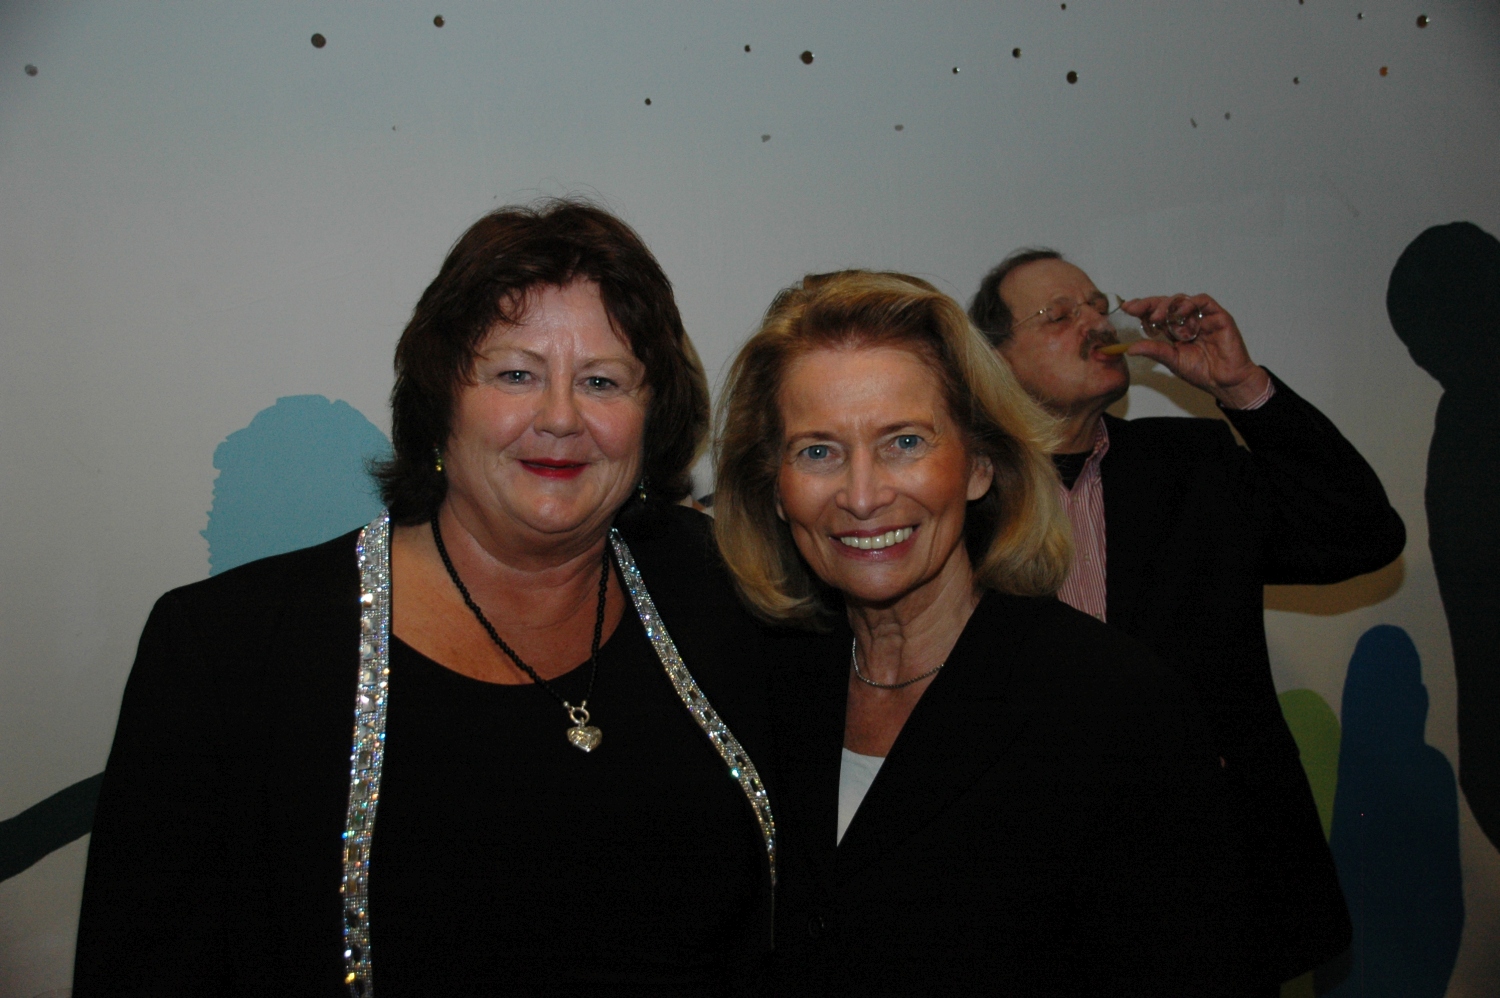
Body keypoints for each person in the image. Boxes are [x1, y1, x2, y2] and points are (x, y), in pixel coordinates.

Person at [74, 200, 780, 996]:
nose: (560, 417)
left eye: (602, 381)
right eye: (516, 374)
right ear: (442, 400)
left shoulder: (731, 597)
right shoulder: (227, 655)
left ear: (652, 418)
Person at [715, 270, 1251, 996]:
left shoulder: (1114, 704)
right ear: (776, 490)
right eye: (818, 451)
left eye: (905, 441)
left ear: (979, 465)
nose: (863, 495)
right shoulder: (758, 686)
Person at [968, 249, 1407, 988]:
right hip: (1028, 889)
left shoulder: (1192, 467)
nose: (1095, 322)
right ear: (993, 362)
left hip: (1206, 890)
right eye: (1058, 315)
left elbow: (1361, 535)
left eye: (1096, 304)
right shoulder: (953, 502)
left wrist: (1241, 386)